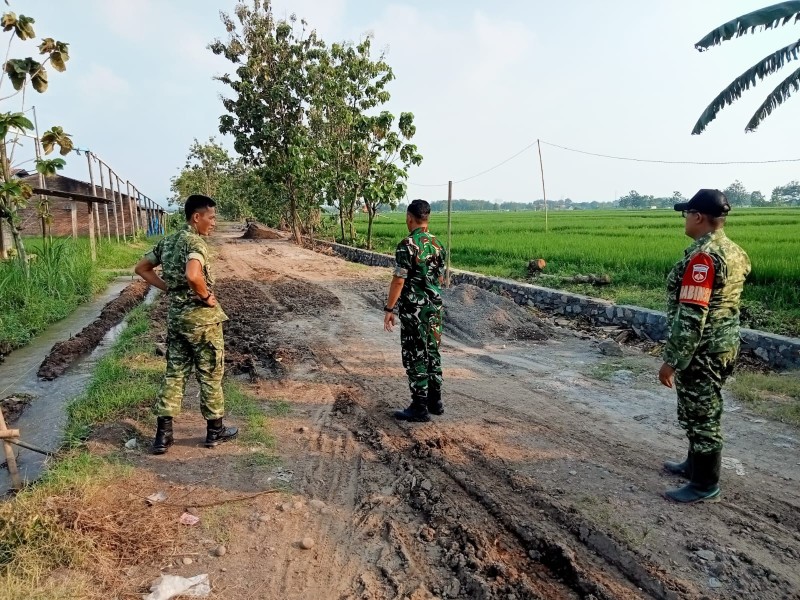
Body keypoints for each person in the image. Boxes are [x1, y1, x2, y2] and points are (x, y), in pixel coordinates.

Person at [659, 189, 750, 503]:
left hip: (703, 349)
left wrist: (672, 359)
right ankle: (693, 464)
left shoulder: (703, 257)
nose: (684, 218)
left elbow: (692, 314)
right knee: (697, 409)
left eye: (687, 213)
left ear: (698, 216)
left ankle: (704, 484)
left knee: (702, 416)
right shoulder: (735, 251)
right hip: (724, 344)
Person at [134, 194, 238, 454]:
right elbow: (193, 275)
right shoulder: (195, 244)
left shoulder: (167, 242)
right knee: (210, 374)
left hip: (178, 321)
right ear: (197, 217)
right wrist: (206, 295)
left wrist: (167, 287)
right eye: (211, 218)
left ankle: (163, 436)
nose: (213, 223)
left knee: (175, 374)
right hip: (203, 323)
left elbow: (142, 268)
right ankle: (215, 431)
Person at [383, 199, 447, 422]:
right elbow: (439, 278)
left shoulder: (407, 245)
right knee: (433, 352)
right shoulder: (439, 245)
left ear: (409, 217)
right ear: (427, 218)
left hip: (414, 311)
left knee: (415, 354)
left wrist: (389, 308)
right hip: (434, 310)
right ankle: (435, 401)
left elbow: (399, 281)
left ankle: (419, 406)